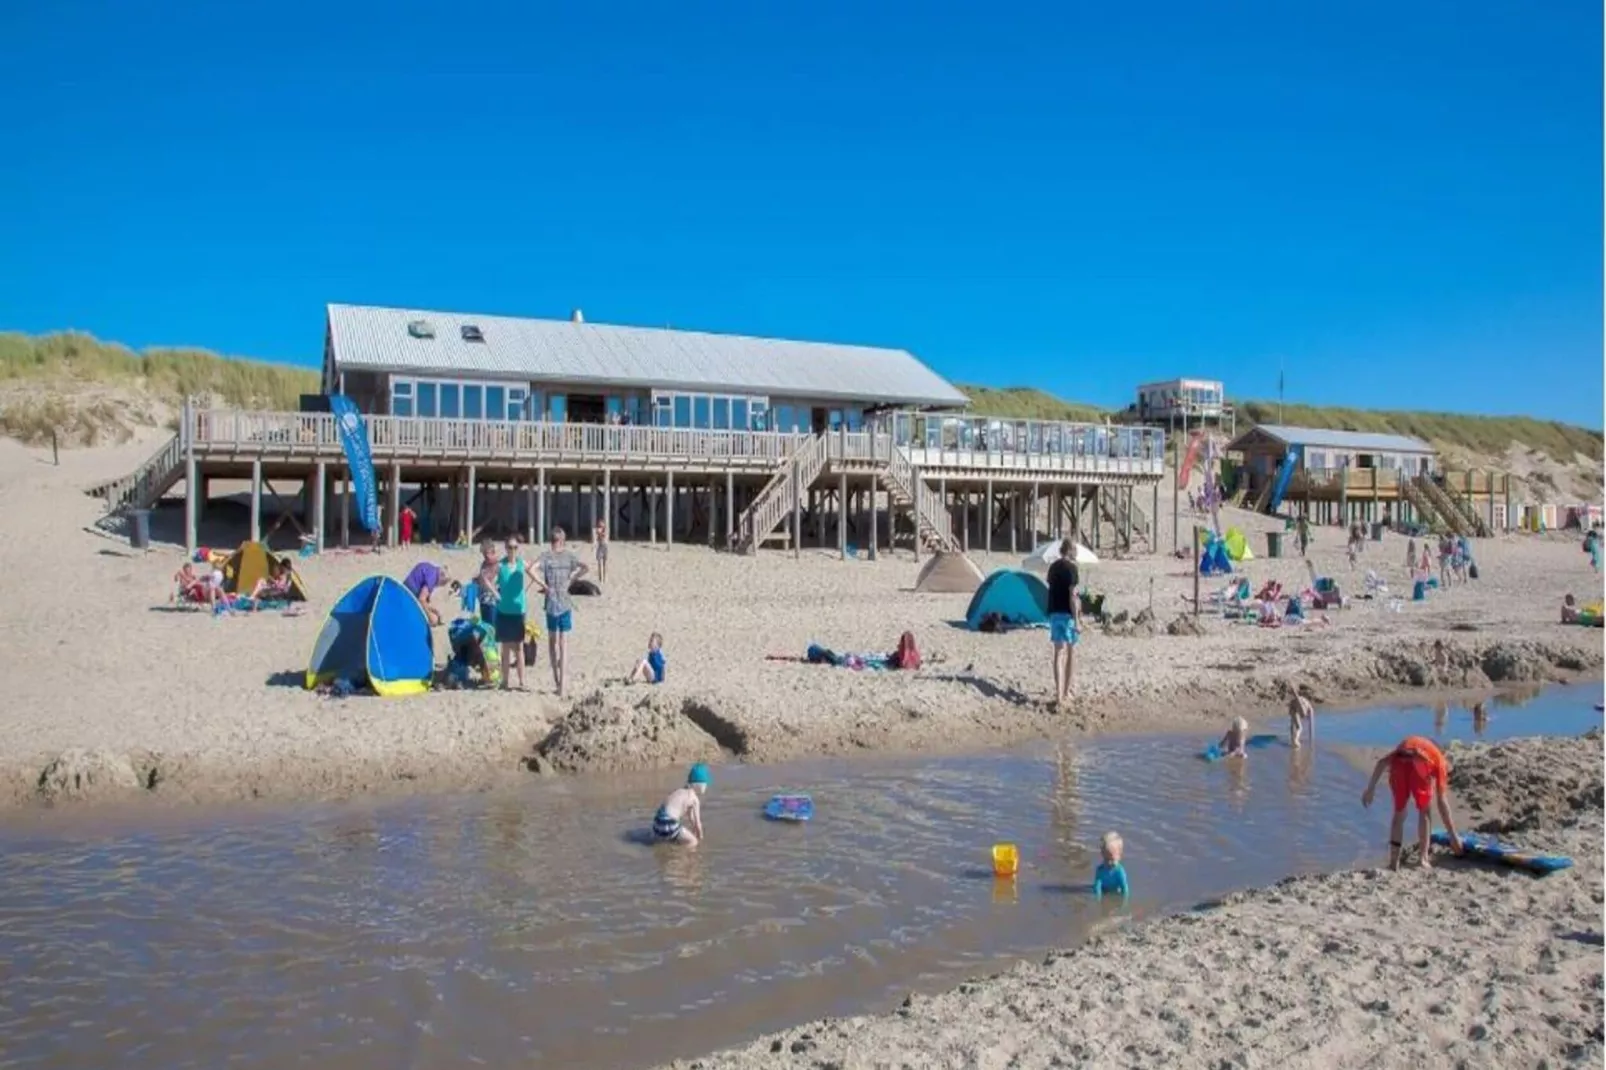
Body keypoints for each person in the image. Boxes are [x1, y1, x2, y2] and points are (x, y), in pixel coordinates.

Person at [1361, 736, 1465, 870]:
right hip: (1421, 763)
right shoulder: (1439, 761)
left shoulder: (1416, 745)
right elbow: (1442, 801)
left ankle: (1394, 862)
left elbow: (1381, 762)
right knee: (1425, 811)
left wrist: (1370, 789)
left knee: (1399, 814)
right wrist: (1453, 836)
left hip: (1399, 761)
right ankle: (1423, 858)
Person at [533, 527, 588, 697]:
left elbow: (530, 569)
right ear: (563, 541)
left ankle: (557, 679)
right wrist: (572, 578)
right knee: (564, 645)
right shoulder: (569, 556)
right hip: (564, 602)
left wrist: (543, 585)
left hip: (551, 603)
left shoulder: (546, 556)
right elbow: (585, 567)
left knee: (552, 642)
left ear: (551, 541)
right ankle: (562, 686)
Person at [496, 538, 537, 690]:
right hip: (504, 610)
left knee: (519, 647)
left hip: (519, 610)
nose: (512, 550)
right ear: (505, 548)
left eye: (515, 547)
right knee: (505, 647)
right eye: (510, 547)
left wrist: (530, 589)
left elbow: (534, 575)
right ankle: (505, 681)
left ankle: (522, 681)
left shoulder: (521, 563)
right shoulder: (501, 565)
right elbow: (488, 580)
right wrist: (495, 593)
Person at [1045, 538, 1081, 709]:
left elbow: (1051, 588)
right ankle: (1066, 692)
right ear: (1071, 550)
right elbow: (1072, 596)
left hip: (1053, 612)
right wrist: (1078, 620)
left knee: (1058, 653)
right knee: (1071, 652)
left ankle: (1059, 695)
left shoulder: (1053, 568)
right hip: (1067, 615)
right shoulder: (1072, 568)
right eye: (1076, 549)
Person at [652, 763, 710, 847]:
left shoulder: (680, 791)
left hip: (657, 822)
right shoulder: (694, 800)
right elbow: (698, 824)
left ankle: (668, 844)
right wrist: (700, 837)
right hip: (669, 822)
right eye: (706, 784)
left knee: (675, 835)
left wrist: (693, 830)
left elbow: (691, 819)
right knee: (693, 842)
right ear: (700, 785)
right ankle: (682, 856)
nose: (706, 787)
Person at [402, 561, 448, 626]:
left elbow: (423, 601)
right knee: (434, 619)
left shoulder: (431, 569)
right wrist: (430, 617)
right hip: (409, 596)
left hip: (406, 589)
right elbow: (421, 599)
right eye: (443, 583)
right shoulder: (433, 578)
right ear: (441, 577)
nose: (440, 586)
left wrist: (433, 610)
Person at [1092, 831, 1130, 899]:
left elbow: (1125, 889)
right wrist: (1098, 900)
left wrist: (1124, 904)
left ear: (1119, 855)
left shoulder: (1119, 871)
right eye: (1106, 859)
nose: (1109, 863)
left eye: (1112, 859)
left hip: (1116, 893)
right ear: (1102, 855)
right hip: (1104, 891)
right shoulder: (1100, 870)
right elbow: (1097, 887)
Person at [594, 520, 609, 584]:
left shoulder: (605, 531)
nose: (600, 527)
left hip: (604, 547)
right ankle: (600, 578)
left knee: (604, 564)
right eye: (599, 526)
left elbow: (604, 536)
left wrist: (600, 533)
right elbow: (597, 539)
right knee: (599, 564)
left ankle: (604, 578)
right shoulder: (597, 531)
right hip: (600, 547)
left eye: (602, 526)